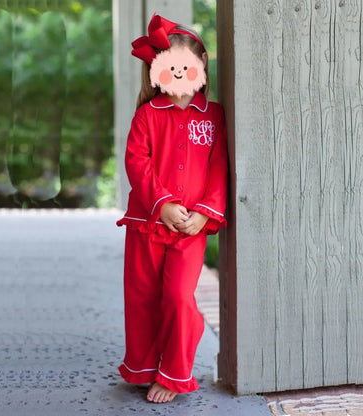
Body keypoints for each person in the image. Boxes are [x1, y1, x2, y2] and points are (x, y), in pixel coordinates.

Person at [116, 13, 228, 404]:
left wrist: (204, 213)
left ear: (200, 70)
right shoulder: (146, 116)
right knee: (143, 296)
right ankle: (145, 368)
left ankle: (175, 373)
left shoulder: (213, 117)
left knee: (180, 297)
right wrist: (162, 204)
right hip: (148, 222)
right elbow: (137, 162)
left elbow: (218, 167)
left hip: (191, 227)